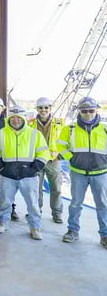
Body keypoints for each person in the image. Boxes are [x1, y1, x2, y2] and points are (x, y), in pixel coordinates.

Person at [0, 106, 49, 240]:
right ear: (9, 119)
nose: (16, 120)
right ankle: (3, 222)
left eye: (19, 118)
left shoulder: (35, 134)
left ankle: (35, 227)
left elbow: (44, 153)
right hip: (8, 175)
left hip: (28, 176)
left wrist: (34, 169)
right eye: (13, 118)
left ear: (23, 119)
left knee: (33, 203)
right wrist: (1, 167)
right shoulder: (0, 134)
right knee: (5, 201)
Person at [58, 97, 107, 249]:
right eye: (84, 111)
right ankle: (72, 231)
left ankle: (105, 235)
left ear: (96, 110)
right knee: (75, 203)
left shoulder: (105, 128)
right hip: (78, 172)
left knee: (103, 205)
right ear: (79, 111)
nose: (88, 114)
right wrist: (70, 158)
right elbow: (60, 145)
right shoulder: (70, 128)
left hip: (100, 173)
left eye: (91, 110)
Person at [27, 97, 65, 223]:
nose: (43, 110)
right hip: (36, 160)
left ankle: (57, 213)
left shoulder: (60, 122)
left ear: (50, 108)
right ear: (37, 109)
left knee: (56, 188)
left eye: (46, 107)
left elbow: (65, 140)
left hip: (53, 160)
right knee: (35, 188)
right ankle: (36, 210)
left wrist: (62, 154)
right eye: (40, 108)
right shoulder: (30, 123)